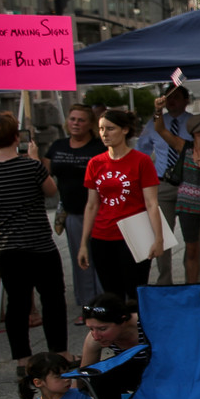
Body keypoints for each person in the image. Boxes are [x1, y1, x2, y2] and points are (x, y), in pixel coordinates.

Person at [0, 113, 69, 372]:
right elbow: (51, 191)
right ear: (16, 137)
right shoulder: (30, 166)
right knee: (52, 298)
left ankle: (22, 358)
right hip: (37, 242)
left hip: (2, 245)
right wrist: (35, 159)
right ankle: (60, 351)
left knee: (17, 302)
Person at [78, 109, 163, 308]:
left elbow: (152, 203)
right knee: (111, 296)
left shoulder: (141, 161)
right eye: (101, 129)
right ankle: (116, 328)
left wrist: (158, 238)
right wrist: (83, 243)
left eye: (110, 129)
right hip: (102, 235)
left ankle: (139, 327)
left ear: (125, 130)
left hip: (134, 233)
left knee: (136, 294)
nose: (104, 134)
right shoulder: (95, 163)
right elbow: (91, 205)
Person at [151, 105, 200, 285]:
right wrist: (158, 111)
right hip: (187, 207)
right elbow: (161, 130)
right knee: (191, 249)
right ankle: (192, 288)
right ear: (197, 131)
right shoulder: (184, 147)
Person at [44, 104, 107, 324]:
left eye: (81, 120)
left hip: (100, 212)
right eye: (72, 119)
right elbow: (44, 172)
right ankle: (87, 306)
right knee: (81, 262)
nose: (76, 123)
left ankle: (104, 306)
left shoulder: (99, 147)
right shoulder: (58, 145)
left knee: (101, 261)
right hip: (73, 213)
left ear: (90, 124)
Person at [134, 84, 192, 285]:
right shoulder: (154, 124)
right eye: (169, 98)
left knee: (192, 239)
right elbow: (140, 151)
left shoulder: (194, 123)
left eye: (177, 97)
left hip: (189, 185)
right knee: (162, 235)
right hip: (163, 184)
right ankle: (164, 281)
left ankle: (192, 281)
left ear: (186, 100)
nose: (172, 101)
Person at [78, 293, 148, 399]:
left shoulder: (147, 324)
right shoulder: (94, 338)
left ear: (122, 321)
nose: (96, 336)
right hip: (135, 370)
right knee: (99, 379)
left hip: (163, 368)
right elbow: (83, 375)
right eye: (91, 328)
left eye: (102, 328)